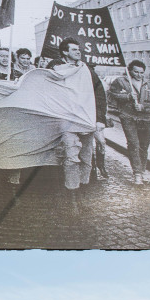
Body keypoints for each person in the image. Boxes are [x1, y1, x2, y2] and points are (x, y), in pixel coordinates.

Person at [47, 37, 107, 212]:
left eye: (78, 49)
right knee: (71, 157)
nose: (78, 51)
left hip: (86, 120)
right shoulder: (55, 69)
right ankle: (72, 196)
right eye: (74, 49)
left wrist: (100, 118)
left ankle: (83, 190)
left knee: (86, 157)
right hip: (67, 121)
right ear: (65, 52)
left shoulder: (86, 69)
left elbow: (99, 93)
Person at [108, 59, 150, 185]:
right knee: (133, 144)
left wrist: (143, 107)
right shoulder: (121, 81)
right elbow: (111, 95)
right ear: (130, 71)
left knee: (144, 146)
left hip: (145, 119)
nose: (139, 75)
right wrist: (127, 96)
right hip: (128, 117)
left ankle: (142, 171)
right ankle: (137, 173)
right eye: (136, 72)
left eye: (141, 72)